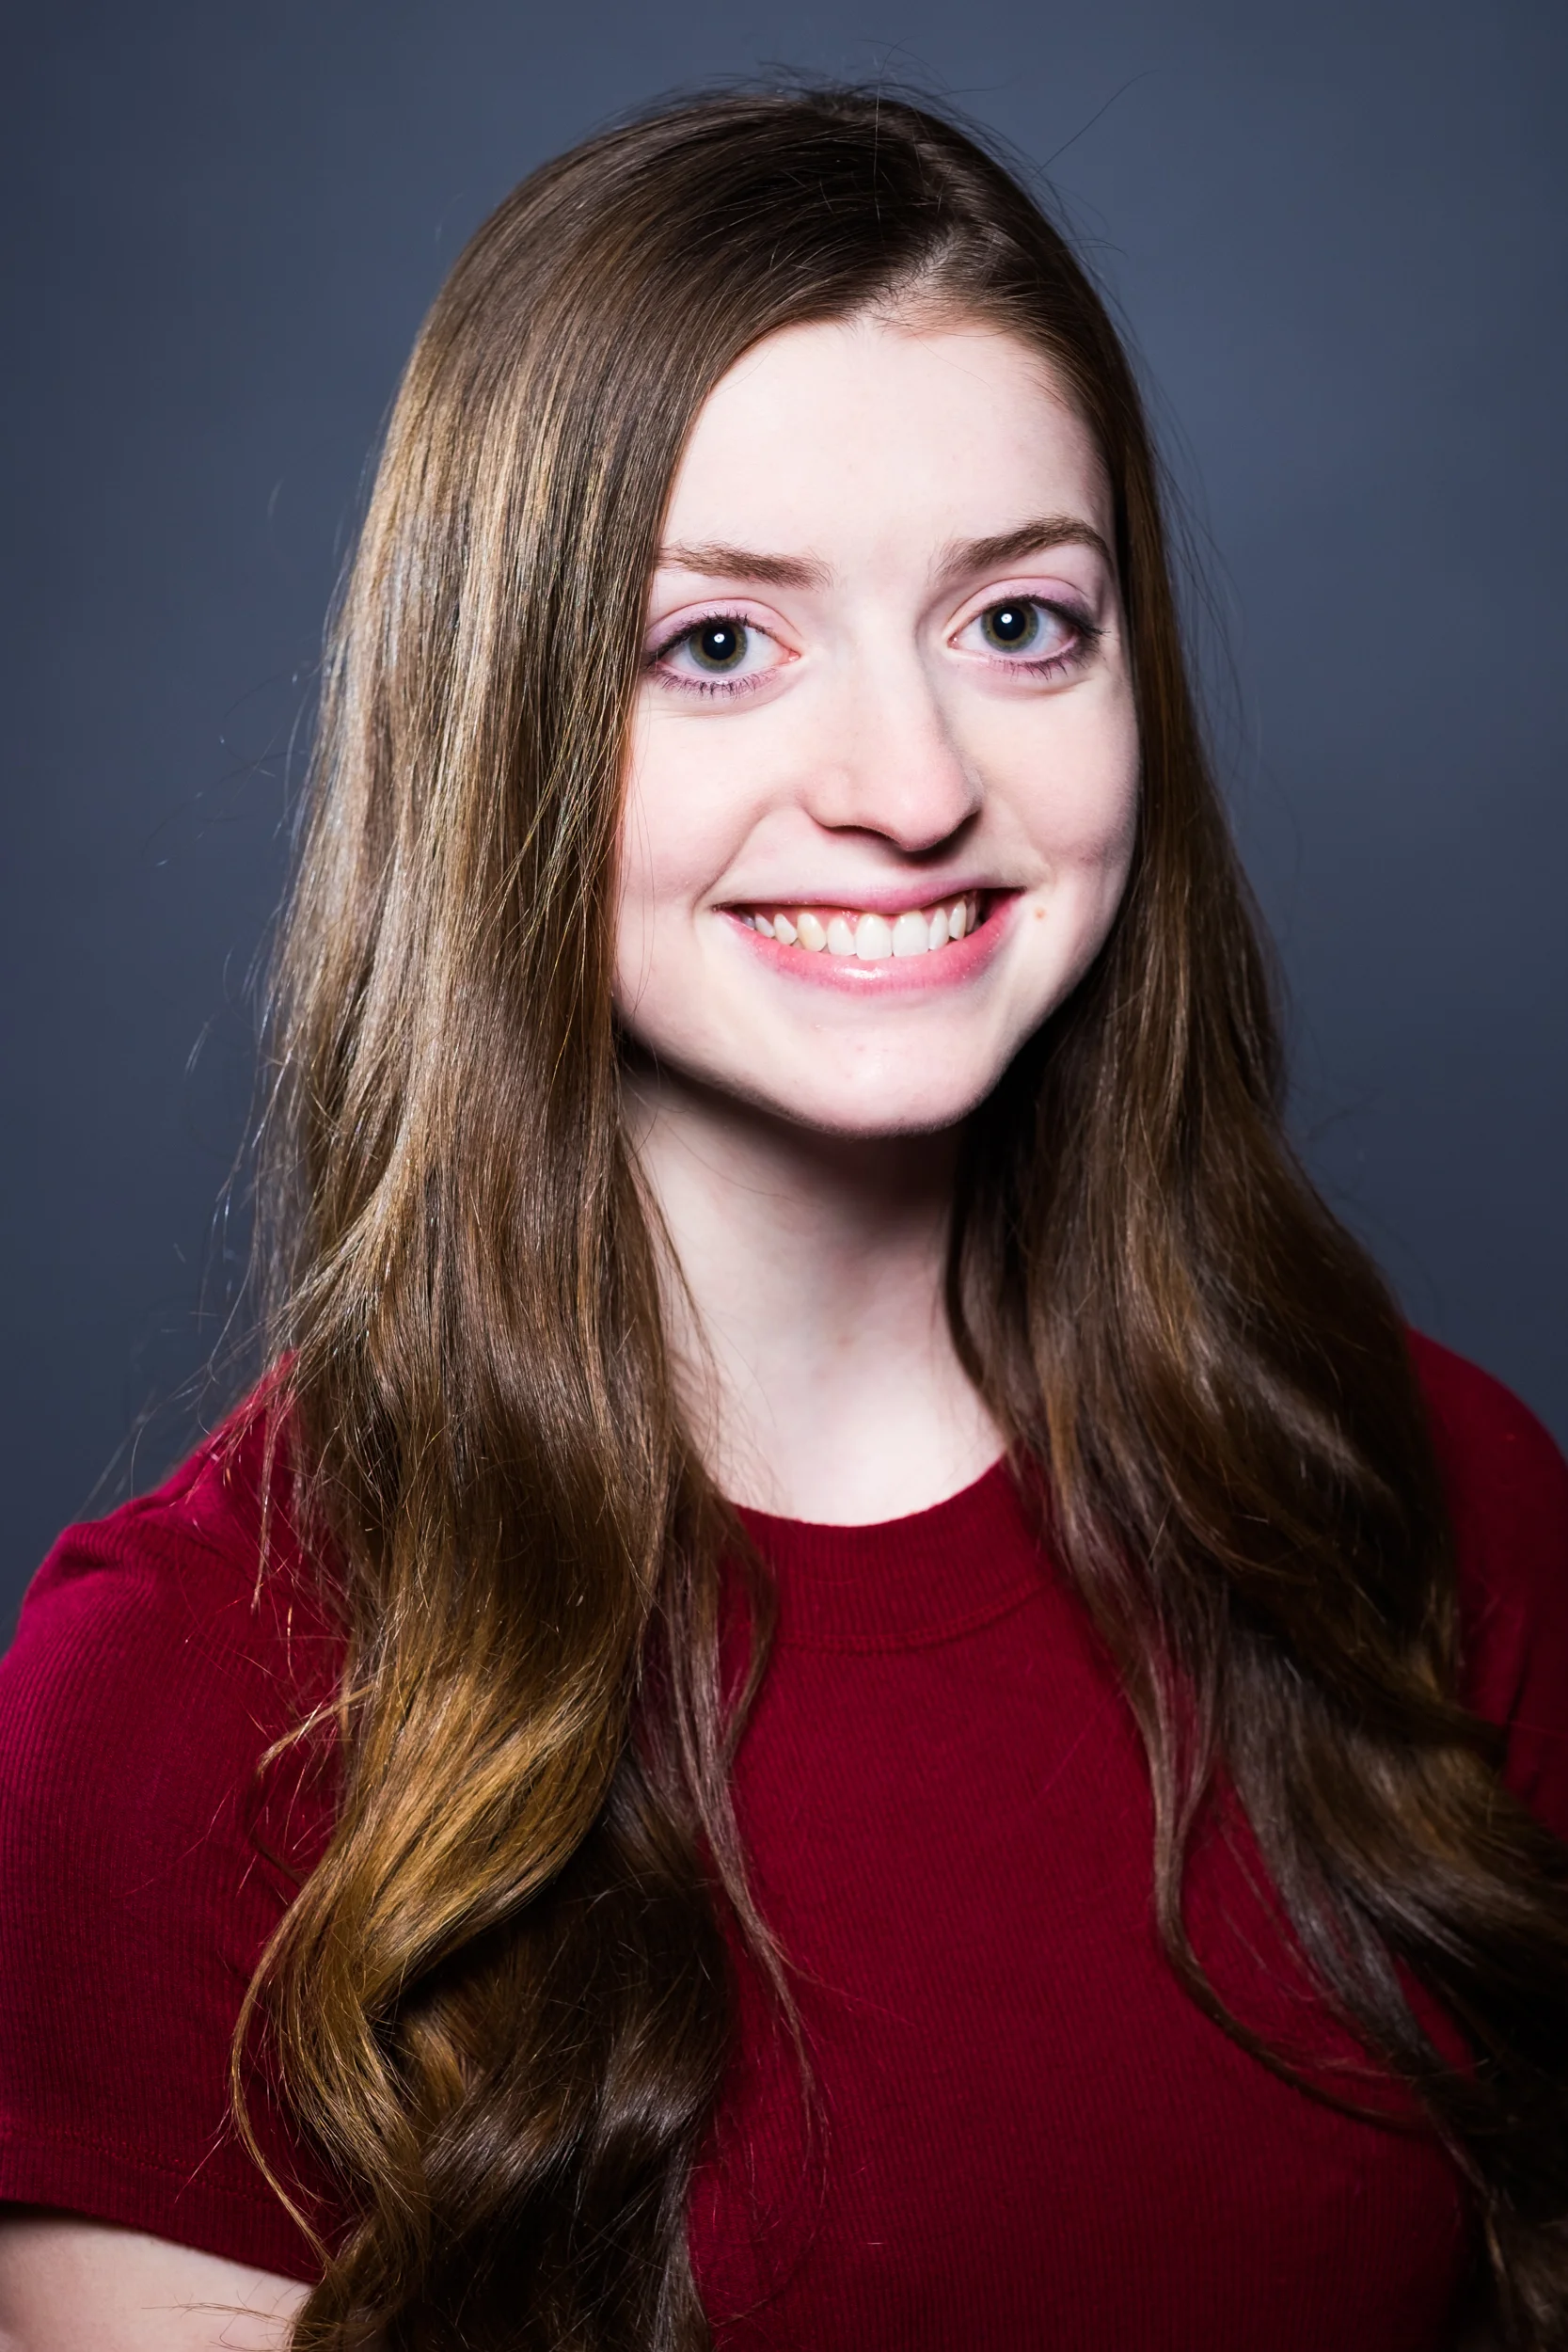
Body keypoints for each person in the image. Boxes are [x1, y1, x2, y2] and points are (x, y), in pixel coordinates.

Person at [1, 83, 1566, 2352]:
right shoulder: (164, 1722)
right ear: (498, 723)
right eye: (718, 645)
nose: (910, 786)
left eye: (1017, 620)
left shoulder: (1433, 1510)